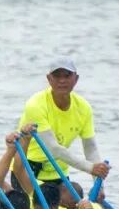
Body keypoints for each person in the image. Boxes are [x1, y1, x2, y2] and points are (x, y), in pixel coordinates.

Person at [17, 58, 109, 188]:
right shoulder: (35, 104)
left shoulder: (84, 108)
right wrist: (90, 168)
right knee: (49, 200)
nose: (62, 80)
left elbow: (91, 148)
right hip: (27, 170)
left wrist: (98, 186)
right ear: (49, 79)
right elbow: (53, 149)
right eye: (57, 76)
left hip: (59, 171)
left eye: (67, 76)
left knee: (75, 195)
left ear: (76, 79)